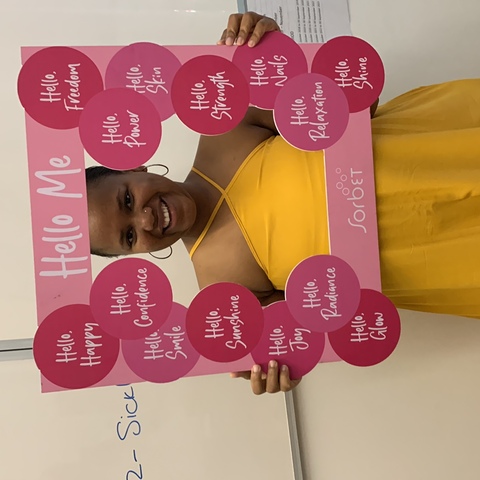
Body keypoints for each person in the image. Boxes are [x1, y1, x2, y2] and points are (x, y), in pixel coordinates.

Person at [87, 12, 480, 395]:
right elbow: (337, 323)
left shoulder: (228, 125)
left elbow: (362, 101)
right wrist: (280, 362)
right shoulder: (227, 295)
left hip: (443, 146)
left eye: (127, 199)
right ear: (134, 256)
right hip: (446, 256)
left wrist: (283, 63)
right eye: (129, 236)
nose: (146, 219)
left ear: (133, 165)